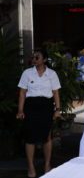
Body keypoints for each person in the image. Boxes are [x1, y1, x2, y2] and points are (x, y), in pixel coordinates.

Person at [16, 49, 61, 178]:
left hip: (46, 107)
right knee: (30, 137)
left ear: (44, 60)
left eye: (37, 57)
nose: (34, 59)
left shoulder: (52, 74)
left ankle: (47, 165)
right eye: (33, 57)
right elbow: (22, 93)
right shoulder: (27, 73)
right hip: (31, 107)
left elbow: (56, 93)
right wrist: (20, 110)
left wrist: (57, 110)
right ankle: (31, 167)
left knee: (47, 136)